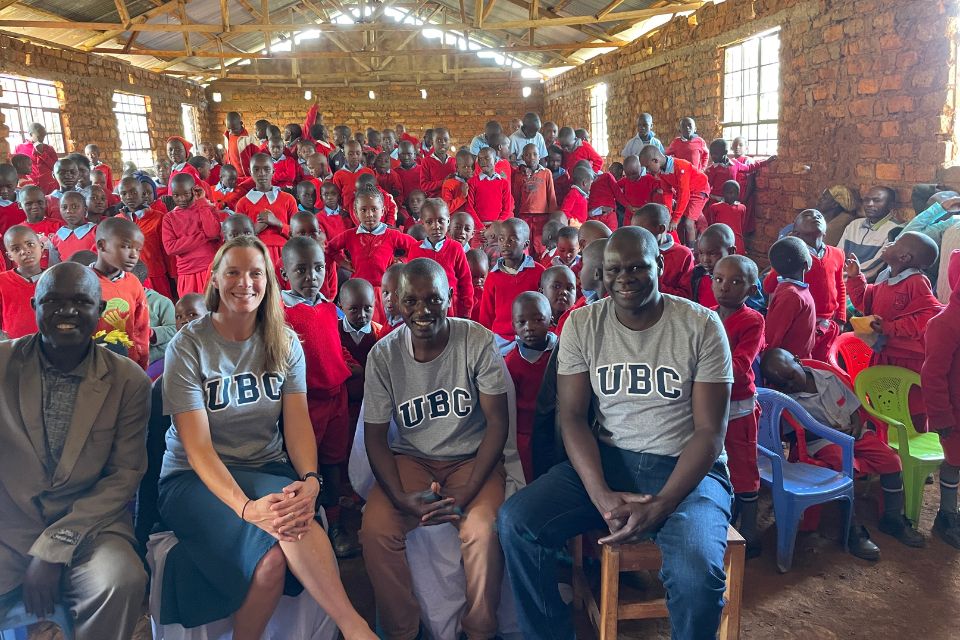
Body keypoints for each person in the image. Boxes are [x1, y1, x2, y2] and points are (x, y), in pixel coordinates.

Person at [499, 226, 734, 640]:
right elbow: (571, 417)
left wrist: (661, 504)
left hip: (688, 471)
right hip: (608, 461)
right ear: (600, 274)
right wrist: (600, 495)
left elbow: (709, 432)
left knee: (697, 575)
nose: (624, 277)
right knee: (517, 523)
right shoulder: (583, 325)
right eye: (614, 269)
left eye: (637, 266)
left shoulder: (701, 325)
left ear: (659, 265)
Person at [158, 235, 375, 639]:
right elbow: (198, 448)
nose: (246, 282)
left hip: (264, 465)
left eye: (256, 273)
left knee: (288, 525)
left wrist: (311, 480)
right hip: (192, 478)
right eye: (234, 272)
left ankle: (354, 628)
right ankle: (358, 629)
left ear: (269, 281)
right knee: (274, 549)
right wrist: (245, 509)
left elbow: (296, 424)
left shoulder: (286, 341)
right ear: (216, 280)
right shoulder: (188, 346)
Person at [360, 258, 510, 640]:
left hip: (471, 458)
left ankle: (480, 629)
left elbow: (497, 422)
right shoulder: (384, 354)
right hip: (412, 459)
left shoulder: (475, 340)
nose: (422, 311)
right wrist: (399, 497)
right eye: (411, 301)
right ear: (395, 302)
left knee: (482, 529)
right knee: (376, 529)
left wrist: (470, 489)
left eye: (433, 299)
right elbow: (375, 436)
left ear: (450, 299)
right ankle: (402, 631)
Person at [0, 262, 150, 640]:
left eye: (81, 302)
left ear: (99, 310)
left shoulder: (128, 381)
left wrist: (56, 544)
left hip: (90, 526)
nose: (66, 312)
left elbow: (124, 476)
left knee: (120, 578)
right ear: (34, 305)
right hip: (8, 524)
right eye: (52, 301)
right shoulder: (2, 364)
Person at [762, 349, 927, 555]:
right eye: (782, 384)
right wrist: (830, 433)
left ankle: (892, 518)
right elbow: (797, 436)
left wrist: (856, 426)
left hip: (854, 435)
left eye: (790, 377)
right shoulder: (787, 399)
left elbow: (854, 410)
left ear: (797, 361)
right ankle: (852, 528)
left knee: (892, 461)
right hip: (823, 443)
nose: (790, 385)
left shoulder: (829, 378)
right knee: (843, 464)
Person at [279, 236, 361, 558]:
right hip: (306, 403)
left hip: (336, 397)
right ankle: (313, 522)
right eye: (301, 270)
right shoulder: (282, 313)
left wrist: (350, 365)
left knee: (333, 458)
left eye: (317, 269)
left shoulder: (329, 307)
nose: (311, 277)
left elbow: (334, 346)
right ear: (285, 274)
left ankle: (337, 521)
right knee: (307, 464)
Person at [846, 231, 942, 419]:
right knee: (883, 403)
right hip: (885, 353)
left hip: (907, 358)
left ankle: (910, 440)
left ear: (904, 257)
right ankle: (885, 435)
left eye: (896, 242)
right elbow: (866, 303)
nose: (890, 243)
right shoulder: (885, 276)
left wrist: (889, 327)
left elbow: (927, 317)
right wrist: (856, 278)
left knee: (909, 406)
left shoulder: (916, 282)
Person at [711, 255, 765, 554]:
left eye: (735, 282)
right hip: (708, 405)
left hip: (739, 408)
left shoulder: (753, 320)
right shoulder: (706, 315)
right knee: (714, 462)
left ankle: (751, 531)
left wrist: (700, 368)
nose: (725, 287)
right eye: (719, 279)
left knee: (743, 466)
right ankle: (722, 519)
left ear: (752, 288)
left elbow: (739, 367)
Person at [326, 186, 418, 322]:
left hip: (384, 293)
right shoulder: (350, 235)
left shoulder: (391, 234)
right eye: (363, 210)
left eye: (374, 209)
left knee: (383, 327)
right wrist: (343, 262)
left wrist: (401, 263)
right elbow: (330, 249)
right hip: (359, 292)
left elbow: (416, 247)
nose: (369, 214)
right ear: (356, 213)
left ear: (383, 211)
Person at [764, 209, 846, 360]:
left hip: (828, 323)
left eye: (819, 216)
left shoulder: (837, 254)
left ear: (825, 231)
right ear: (796, 233)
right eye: (808, 216)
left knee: (822, 362)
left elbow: (840, 285)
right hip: (803, 323)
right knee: (802, 360)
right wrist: (785, 254)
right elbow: (768, 286)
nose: (815, 217)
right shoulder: (794, 258)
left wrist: (840, 317)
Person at [922, 267, 960, 548]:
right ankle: (946, 515)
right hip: (954, 411)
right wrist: (941, 416)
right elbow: (932, 374)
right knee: (953, 463)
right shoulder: (945, 323)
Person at [505, 291, 556, 481]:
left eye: (537, 320)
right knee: (530, 474)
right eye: (522, 322)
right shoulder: (512, 362)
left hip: (556, 424)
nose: (529, 328)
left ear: (550, 320)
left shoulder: (560, 352)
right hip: (526, 431)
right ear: (513, 326)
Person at [479, 217, 546, 350]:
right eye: (501, 239)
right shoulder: (493, 276)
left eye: (512, 239)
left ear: (526, 245)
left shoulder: (539, 272)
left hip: (532, 337)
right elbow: (486, 316)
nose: (505, 243)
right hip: (501, 340)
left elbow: (546, 308)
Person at [91, 217, 150, 369]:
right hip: (92, 366)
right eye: (126, 246)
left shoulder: (133, 283)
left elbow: (141, 329)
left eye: (138, 249)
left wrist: (142, 364)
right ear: (102, 245)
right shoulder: (82, 282)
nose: (134, 255)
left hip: (127, 366)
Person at [235, 153, 298, 283]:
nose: (262, 173)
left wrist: (278, 223)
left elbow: (298, 233)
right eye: (256, 169)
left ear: (273, 171)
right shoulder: (243, 203)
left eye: (266, 169)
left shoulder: (287, 199)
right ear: (250, 172)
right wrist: (255, 230)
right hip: (255, 254)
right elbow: (237, 239)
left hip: (284, 254)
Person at [407, 198, 474, 318]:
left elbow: (465, 282)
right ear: (422, 223)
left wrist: (466, 313)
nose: (436, 226)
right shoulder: (415, 249)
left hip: (451, 308)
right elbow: (410, 281)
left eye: (440, 221)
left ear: (448, 221)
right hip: (423, 308)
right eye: (429, 222)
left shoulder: (455, 248)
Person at [161, 173, 224, 296]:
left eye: (186, 194)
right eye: (176, 195)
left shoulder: (207, 208)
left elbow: (213, 232)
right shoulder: (169, 218)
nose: (182, 199)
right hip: (187, 273)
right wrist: (204, 236)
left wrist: (201, 201)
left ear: (194, 190)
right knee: (192, 311)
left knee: (215, 310)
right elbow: (171, 248)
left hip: (210, 269)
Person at [638, 144, 710, 249]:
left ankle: (692, 251)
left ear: (655, 161)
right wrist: (669, 214)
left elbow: (684, 194)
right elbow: (667, 193)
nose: (647, 171)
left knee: (688, 223)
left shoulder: (681, 167)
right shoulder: (662, 172)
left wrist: (675, 219)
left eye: (647, 167)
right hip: (686, 192)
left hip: (699, 190)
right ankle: (686, 244)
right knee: (682, 220)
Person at [765, 236, 816, 359]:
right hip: (788, 365)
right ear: (805, 265)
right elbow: (774, 335)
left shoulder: (794, 290)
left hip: (800, 359)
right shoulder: (791, 295)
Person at [838, 186, 901, 282]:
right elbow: (839, 255)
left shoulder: (893, 231)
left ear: (890, 205)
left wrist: (845, 279)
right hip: (842, 277)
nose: (869, 204)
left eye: (876, 201)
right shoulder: (854, 225)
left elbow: (874, 268)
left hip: (863, 283)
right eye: (866, 200)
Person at [632, 203, 693, 298]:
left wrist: (653, 285)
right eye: (634, 231)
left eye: (642, 230)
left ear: (661, 228)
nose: (637, 236)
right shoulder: (632, 251)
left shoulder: (683, 255)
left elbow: (686, 295)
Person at [0, 225, 44, 339]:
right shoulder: (2, 281)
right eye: (16, 249)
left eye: (30, 244)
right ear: (9, 256)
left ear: (41, 246)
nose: (25, 251)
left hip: (51, 346)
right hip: (14, 348)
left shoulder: (55, 278)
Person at [512, 143, 557, 255]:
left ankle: (540, 268)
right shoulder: (519, 175)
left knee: (540, 246)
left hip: (542, 217)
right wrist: (516, 215)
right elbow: (516, 197)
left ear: (539, 156)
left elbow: (551, 196)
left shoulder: (546, 173)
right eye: (527, 155)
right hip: (524, 216)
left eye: (535, 154)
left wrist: (552, 218)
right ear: (523, 158)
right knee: (525, 246)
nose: (531, 157)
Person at [685, 223, 736, 308]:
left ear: (731, 251)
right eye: (701, 253)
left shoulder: (741, 279)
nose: (705, 260)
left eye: (712, 254)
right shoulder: (698, 274)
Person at [51, 192, 97, 263]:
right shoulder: (57, 237)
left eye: (74, 206)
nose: (69, 211)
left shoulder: (95, 231)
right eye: (64, 207)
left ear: (85, 210)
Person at [14, 122, 59, 193]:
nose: (42, 139)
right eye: (39, 136)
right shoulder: (20, 148)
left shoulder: (49, 148)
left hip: (50, 186)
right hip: (29, 186)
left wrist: (42, 154)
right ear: (31, 134)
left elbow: (56, 167)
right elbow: (16, 167)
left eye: (44, 136)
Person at [705, 180, 748, 253]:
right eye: (728, 192)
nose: (731, 195)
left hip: (737, 241)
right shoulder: (715, 207)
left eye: (734, 193)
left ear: (738, 194)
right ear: (723, 193)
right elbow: (712, 224)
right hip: (720, 240)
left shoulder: (742, 208)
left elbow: (742, 225)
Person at [420, 128, 456, 198]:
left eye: (446, 140)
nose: (443, 143)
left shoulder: (454, 161)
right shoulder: (426, 161)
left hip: (452, 200)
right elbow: (424, 186)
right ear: (432, 143)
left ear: (449, 142)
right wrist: (443, 182)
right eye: (439, 140)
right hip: (434, 202)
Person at [441, 148, 474, 216]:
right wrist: (463, 196)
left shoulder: (474, 181)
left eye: (471, 166)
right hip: (456, 221)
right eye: (465, 167)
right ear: (457, 167)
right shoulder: (449, 184)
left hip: (473, 221)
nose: (469, 170)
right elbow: (447, 208)